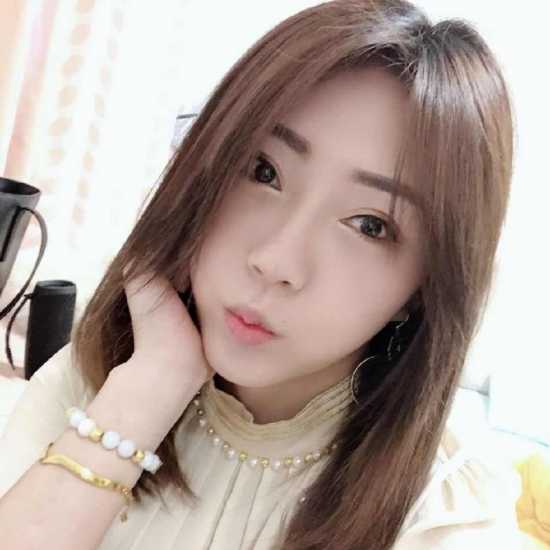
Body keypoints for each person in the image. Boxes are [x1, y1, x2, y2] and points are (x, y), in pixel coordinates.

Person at [0, 1, 523, 548]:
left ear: (422, 289)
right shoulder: (105, 372)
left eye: (370, 225)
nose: (276, 261)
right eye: (263, 171)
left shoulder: (446, 515)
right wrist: (152, 386)